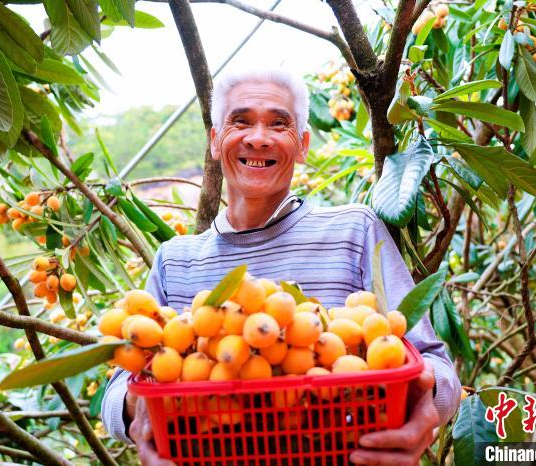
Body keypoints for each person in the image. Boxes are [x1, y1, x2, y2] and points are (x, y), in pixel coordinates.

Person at [101, 68, 461, 465]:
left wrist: (424, 407)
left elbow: (433, 364)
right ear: (215, 141)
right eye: (240, 121)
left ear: (303, 144)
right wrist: (141, 415)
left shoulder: (353, 230)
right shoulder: (176, 259)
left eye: (279, 123)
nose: (258, 137)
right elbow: (120, 388)